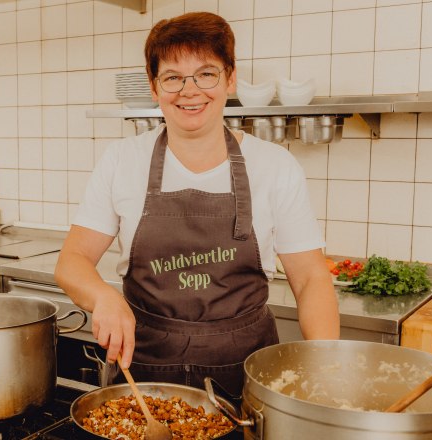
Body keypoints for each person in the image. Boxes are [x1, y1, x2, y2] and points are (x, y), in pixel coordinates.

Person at [54, 11, 339, 397]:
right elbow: (72, 260)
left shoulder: (275, 165)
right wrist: (103, 296)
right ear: (154, 87)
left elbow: (310, 278)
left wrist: (325, 368)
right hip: (144, 371)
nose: (190, 91)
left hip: (246, 373)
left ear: (230, 78)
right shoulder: (122, 160)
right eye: (173, 77)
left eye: (206, 74)